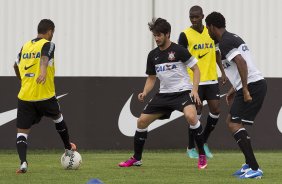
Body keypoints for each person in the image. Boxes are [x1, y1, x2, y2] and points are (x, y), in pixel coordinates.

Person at [118, 18, 208, 169]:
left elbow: (196, 69)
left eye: (159, 35)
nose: (157, 38)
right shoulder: (152, 55)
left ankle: (202, 156)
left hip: (182, 92)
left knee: (191, 117)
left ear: (168, 34)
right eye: (155, 35)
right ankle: (137, 158)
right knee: (141, 122)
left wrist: (194, 89)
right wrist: (145, 92)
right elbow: (152, 78)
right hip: (164, 95)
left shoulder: (179, 50)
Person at [205, 12, 267, 179]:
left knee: (234, 124)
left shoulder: (225, 41)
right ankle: (249, 164)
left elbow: (241, 62)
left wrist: (245, 89)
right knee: (232, 122)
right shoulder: (230, 38)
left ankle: (254, 169)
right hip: (252, 84)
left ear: (212, 27)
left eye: (207, 28)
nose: (207, 32)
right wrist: (235, 88)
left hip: (253, 86)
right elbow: (241, 65)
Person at [13, 19, 76, 174]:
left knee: (22, 132)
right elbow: (44, 58)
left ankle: (23, 163)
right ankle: (68, 148)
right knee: (58, 118)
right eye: (52, 32)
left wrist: (22, 81)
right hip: (44, 95)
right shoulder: (48, 44)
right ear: (50, 31)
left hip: (25, 96)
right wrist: (42, 72)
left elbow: (15, 65)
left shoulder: (25, 46)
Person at [178, 5, 227, 159]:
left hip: (211, 78)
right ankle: (191, 146)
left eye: (196, 17)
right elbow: (180, 58)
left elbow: (217, 52)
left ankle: (203, 142)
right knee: (195, 113)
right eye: (191, 17)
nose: (193, 19)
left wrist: (223, 72)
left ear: (202, 16)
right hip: (194, 81)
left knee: (216, 110)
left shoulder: (210, 32)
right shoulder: (185, 35)